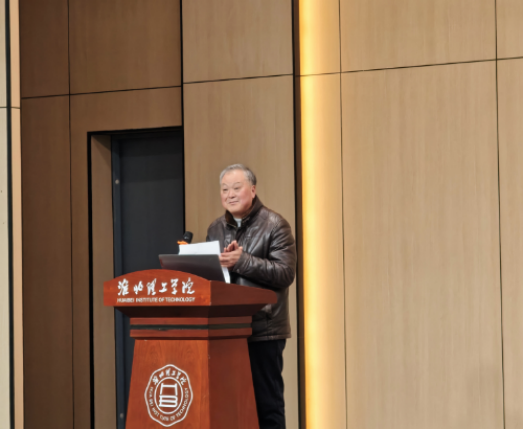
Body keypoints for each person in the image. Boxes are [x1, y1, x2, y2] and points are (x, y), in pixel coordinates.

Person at [206, 164, 296, 430]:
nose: (230, 194)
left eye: (237, 188)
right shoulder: (215, 228)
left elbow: (285, 273)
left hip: (263, 329)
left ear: (253, 190)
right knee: (230, 405)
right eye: (224, 189)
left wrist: (242, 261)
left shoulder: (275, 224)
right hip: (224, 330)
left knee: (267, 406)